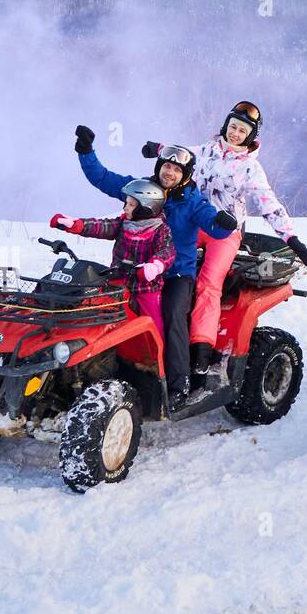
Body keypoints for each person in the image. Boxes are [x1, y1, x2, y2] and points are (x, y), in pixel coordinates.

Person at [143, 101, 307, 390]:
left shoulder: (250, 168)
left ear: (250, 137)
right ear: (226, 126)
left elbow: (268, 203)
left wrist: (291, 238)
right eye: (233, 126)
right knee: (160, 255)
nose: (235, 133)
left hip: (224, 232)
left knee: (209, 284)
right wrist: (158, 149)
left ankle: (201, 350)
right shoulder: (206, 150)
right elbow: (182, 156)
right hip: (195, 222)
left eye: (242, 131)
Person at [75, 125, 235, 409]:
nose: (169, 172)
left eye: (176, 169)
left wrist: (222, 223)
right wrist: (87, 152)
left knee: (174, 314)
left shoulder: (192, 202)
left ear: (185, 175)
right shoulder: (144, 190)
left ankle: (178, 384)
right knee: (101, 306)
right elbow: (104, 179)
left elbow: (212, 222)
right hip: (134, 271)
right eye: (166, 166)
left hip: (176, 274)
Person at [50, 179, 177, 343]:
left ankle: (158, 360)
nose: (125, 207)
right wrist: (76, 225)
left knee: (153, 323)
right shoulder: (123, 223)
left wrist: (155, 265)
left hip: (145, 288)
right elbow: (101, 226)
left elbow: (168, 251)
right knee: (105, 318)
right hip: (117, 284)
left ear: (146, 207)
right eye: (126, 203)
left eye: (131, 204)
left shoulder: (160, 229)